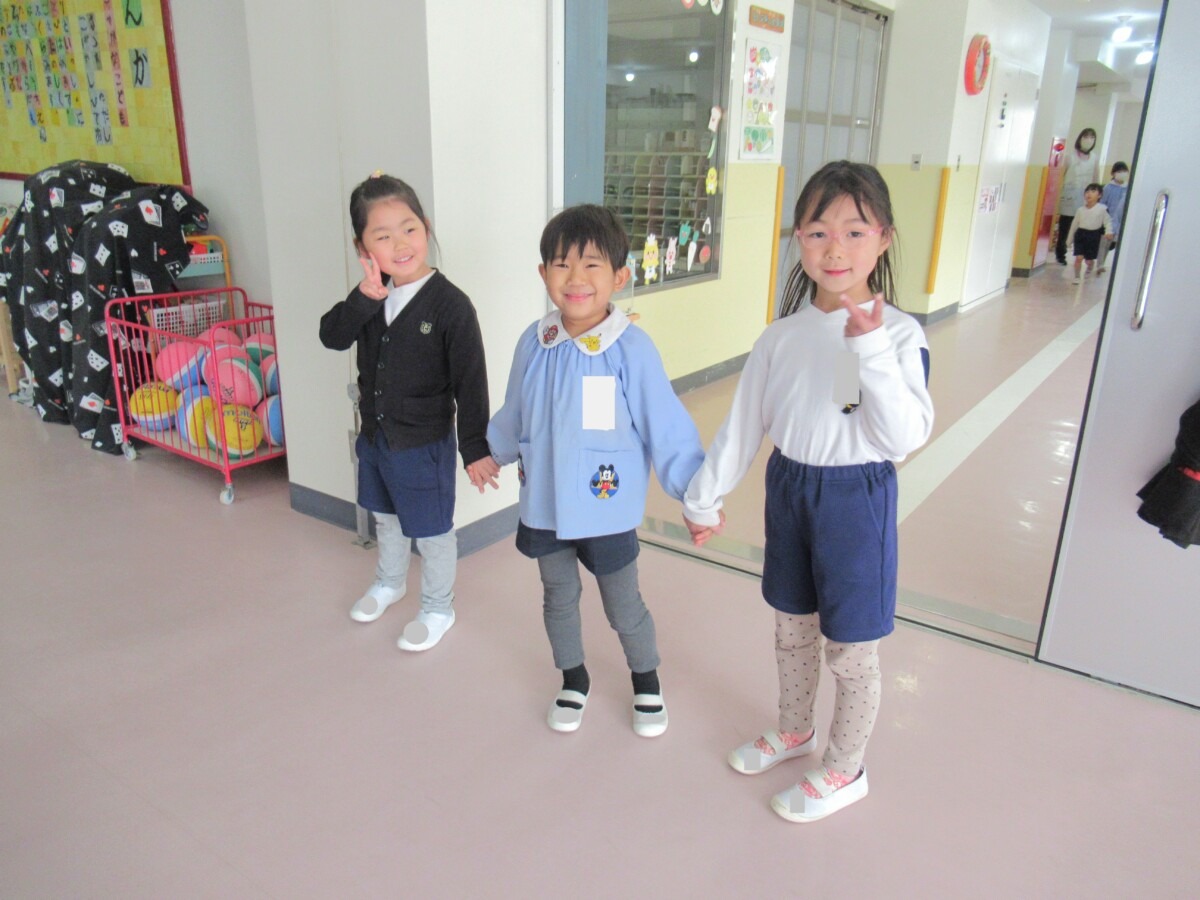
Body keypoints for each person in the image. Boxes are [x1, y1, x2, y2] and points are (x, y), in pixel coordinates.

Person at [683, 161, 934, 823]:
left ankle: (846, 769)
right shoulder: (781, 338)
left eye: (855, 231)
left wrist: (870, 349)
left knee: (851, 648)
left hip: (855, 499)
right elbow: (743, 426)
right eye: (819, 232)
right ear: (799, 239)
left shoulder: (900, 334)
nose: (835, 248)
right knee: (792, 628)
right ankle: (795, 730)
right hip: (790, 489)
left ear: (884, 238)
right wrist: (702, 497)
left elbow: (901, 437)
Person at [486, 204, 704, 737]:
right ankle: (573, 678)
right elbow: (515, 409)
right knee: (558, 597)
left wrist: (695, 497)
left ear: (619, 277)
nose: (576, 279)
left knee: (623, 604)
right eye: (562, 265)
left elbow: (665, 425)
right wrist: (493, 451)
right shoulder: (534, 342)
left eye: (592, 265)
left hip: (605, 507)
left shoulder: (630, 349)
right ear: (544, 274)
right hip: (545, 504)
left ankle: (646, 680)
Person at [319, 173, 494, 651]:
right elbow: (331, 335)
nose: (400, 244)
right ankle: (390, 582)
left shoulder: (451, 306)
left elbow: (471, 383)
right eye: (382, 236)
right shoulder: (370, 299)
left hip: (424, 445)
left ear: (426, 227)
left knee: (432, 532)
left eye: (409, 228)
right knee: (386, 517)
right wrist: (363, 298)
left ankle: (438, 606)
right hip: (376, 440)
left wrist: (475, 448)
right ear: (363, 248)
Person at [1055, 128, 1099, 265]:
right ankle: (1061, 254)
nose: (1089, 140)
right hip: (1069, 197)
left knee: (1083, 228)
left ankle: (1081, 254)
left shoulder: (1094, 158)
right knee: (1065, 228)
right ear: (1080, 138)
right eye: (1086, 136)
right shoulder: (1070, 157)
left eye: (1092, 137)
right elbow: (1061, 176)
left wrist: (1096, 197)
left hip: (1085, 197)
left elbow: (1095, 177)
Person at [1066, 183, 1113, 285]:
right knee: (1079, 258)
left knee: (1089, 260)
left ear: (1099, 195)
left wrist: (1109, 231)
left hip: (1094, 236)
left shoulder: (1102, 209)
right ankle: (1077, 277)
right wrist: (1069, 240)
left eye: (1093, 191)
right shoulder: (1080, 210)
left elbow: (1108, 221)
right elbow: (1074, 225)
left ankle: (1090, 266)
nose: (1089, 194)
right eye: (1087, 191)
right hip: (1081, 235)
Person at [1096, 161, 1129, 274]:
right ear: (1114, 173)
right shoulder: (1108, 188)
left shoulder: (1128, 188)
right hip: (1108, 220)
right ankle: (1100, 264)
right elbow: (1102, 203)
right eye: (1119, 171)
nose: (1122, 174)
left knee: (1113, 245)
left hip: (1120, 221)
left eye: (1124, 171)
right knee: (1104, 244)